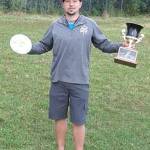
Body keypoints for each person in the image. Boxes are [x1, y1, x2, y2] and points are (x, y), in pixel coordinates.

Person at [28, 0, 124, 150]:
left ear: (80, 4)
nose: (71, 4)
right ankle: (61, 148)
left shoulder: (89, 24)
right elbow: (43, 45)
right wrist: (26, 47)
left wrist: (121, 46)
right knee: (59, 117)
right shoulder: (55, 25)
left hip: (80, 82)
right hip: (58, 80)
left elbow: (104, 45)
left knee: (79, 120)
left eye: (74, 1)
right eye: (67, 1)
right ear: (62, 4)